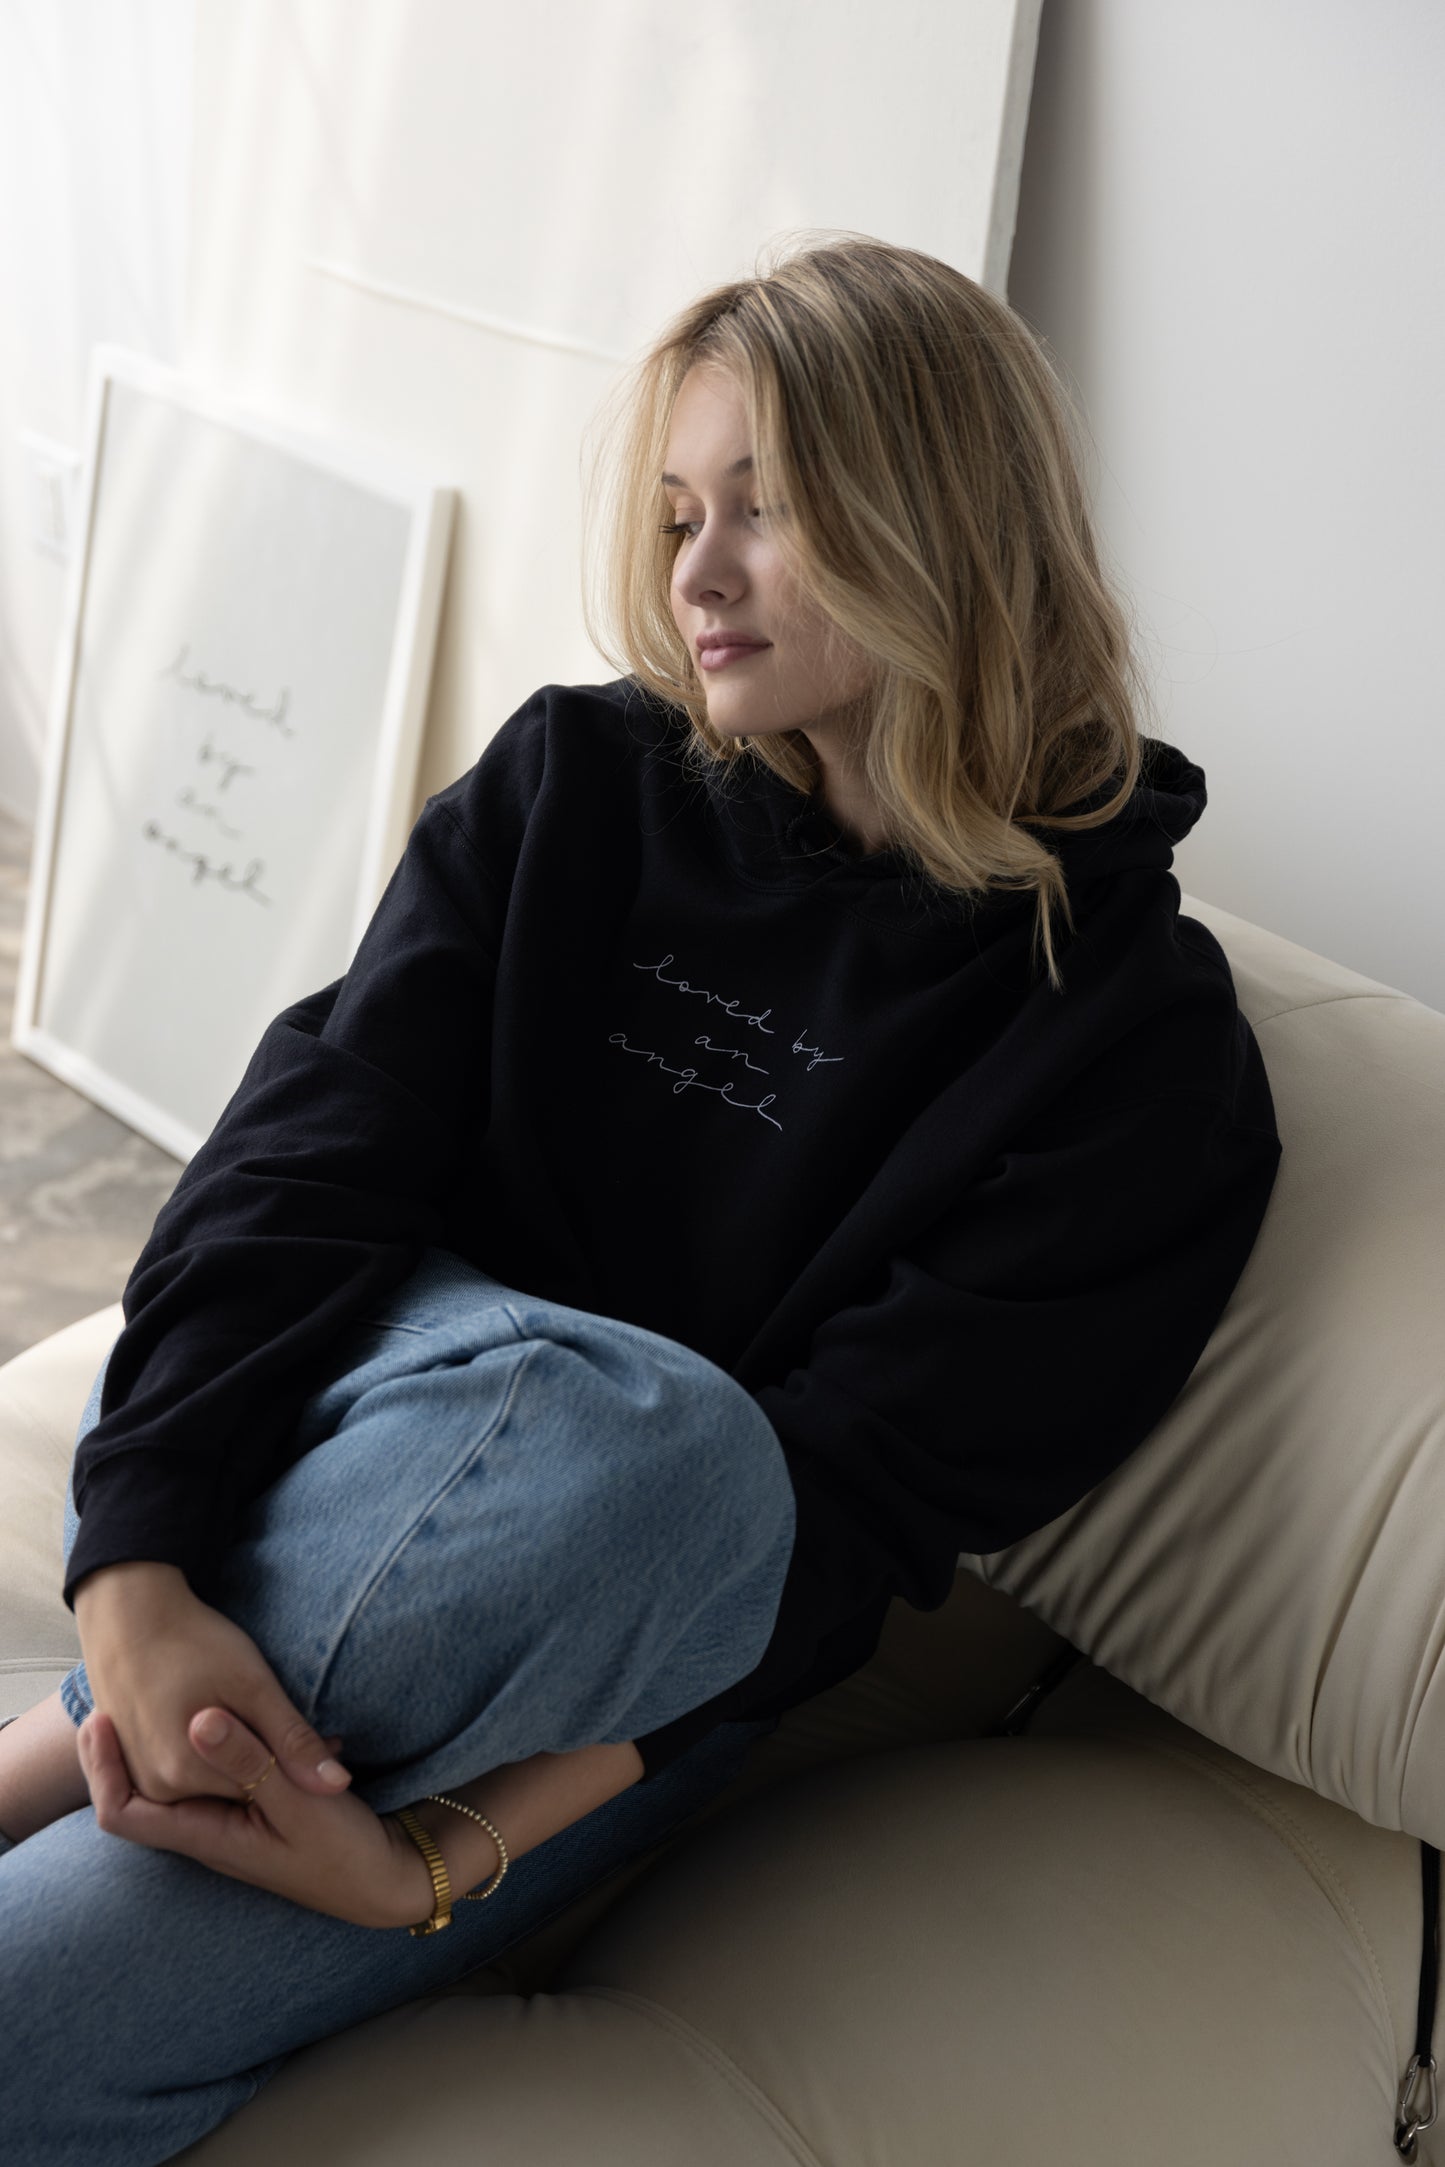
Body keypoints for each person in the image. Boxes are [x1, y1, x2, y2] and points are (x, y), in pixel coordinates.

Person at [0, 231, 1282, 2165]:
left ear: (945, 522)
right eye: (681, 513)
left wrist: (434, 1862)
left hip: (601, 1664)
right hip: (284, 1448)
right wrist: (135, 1573)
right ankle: (75, 1732)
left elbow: (830, 1533)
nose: (695, 573)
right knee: (618, 1429)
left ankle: (60, 1752)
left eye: (766, 510)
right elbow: (311, 1154)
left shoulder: (1139, 1067)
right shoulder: (575, 781)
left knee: (667, 1463)